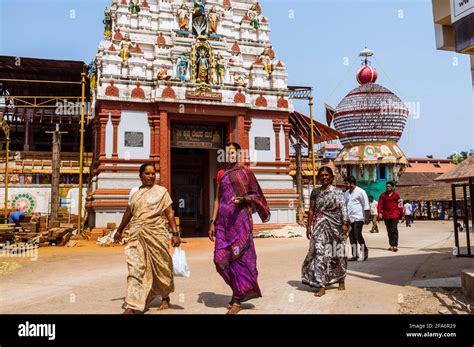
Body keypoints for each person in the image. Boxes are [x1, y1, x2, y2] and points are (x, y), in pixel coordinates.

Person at [209, 142, 270, 315]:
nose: (230, 156)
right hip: (223, 223)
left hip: (240, 223)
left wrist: (243, 199)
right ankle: (239, 290)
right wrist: (212, 222)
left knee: (239, 258)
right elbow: (217, 200)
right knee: (219, 259)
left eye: (233, 153)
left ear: (238, 154)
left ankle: (237, 297)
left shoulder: (246, 172)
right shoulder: (221, 174)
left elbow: (256, 194)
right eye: (227, 153)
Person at [115, 164, 181, 314]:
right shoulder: (135, 192)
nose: (151, 176)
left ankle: (165, 296)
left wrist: (175, 233)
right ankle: (132, 305)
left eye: (153, 173)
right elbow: (129, 212)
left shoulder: (161, 192)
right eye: (147, 173)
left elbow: (169, 213)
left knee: (161, 266)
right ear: (140, 176)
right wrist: (119, 230)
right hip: (137, 233)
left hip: (156, 233)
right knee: (135, 267)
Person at [302, 167, 350, 297]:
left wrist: (345, 223)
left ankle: (341, 279)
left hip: (336, 226)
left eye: (326, 175)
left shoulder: (338, 192)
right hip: (319, 224)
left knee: (337, 252)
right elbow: (311, 209)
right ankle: (321, 284)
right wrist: (308, 226)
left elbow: (343, 207)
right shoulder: (315, 192)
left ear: (331, 177)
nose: (324, 177)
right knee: (319, 253)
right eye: (321, 175)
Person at [344, 176, 370, 261]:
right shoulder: (347, 193)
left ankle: (364, 248)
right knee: (351, 236)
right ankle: (355, 255)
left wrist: (367, 217)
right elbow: (344, 205)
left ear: (352, 183)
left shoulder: (361, 191)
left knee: (357, 234)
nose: (345, 185)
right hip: (349, 218)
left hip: (359, 217)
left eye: (347, 183)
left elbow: (366, 204)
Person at [378, 182, 405, 252]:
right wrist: (379, 213)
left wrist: (402, 215)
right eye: (386, 186)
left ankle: (395, 245)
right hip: (386, 215)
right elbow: (380, 204)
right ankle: (391, 245)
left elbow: (400, 205)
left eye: (389, 186)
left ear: (392, 187)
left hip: (394, 215)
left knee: (394, 229)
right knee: (389, 230)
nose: (387, 187)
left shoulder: (396, 195)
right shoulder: (383, 195)